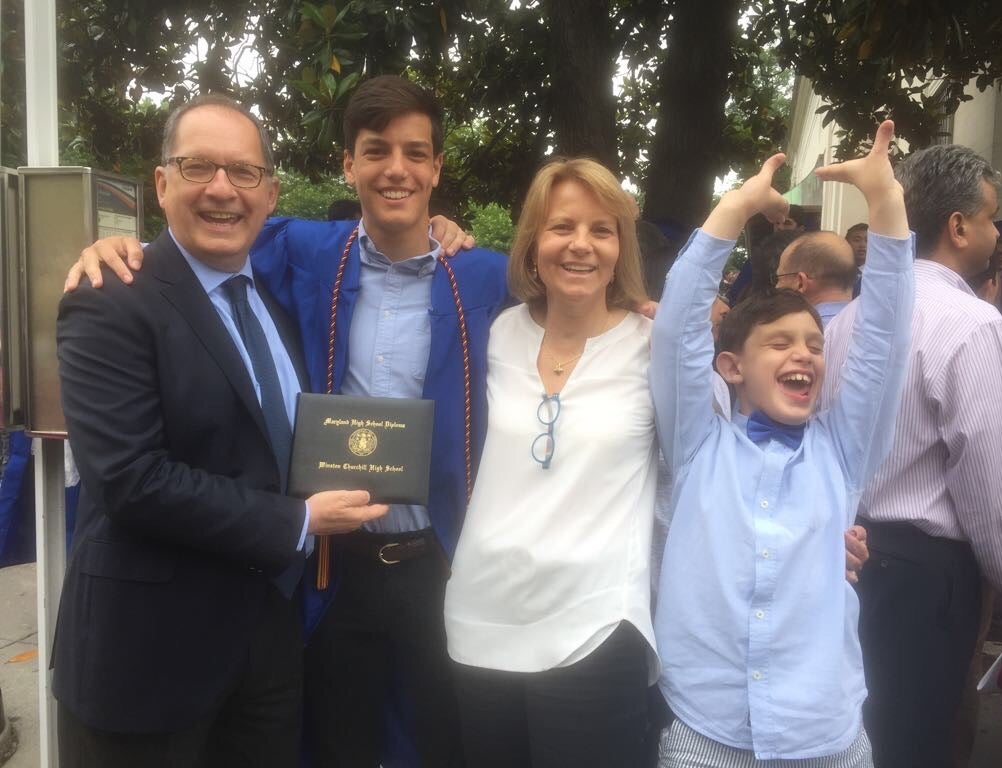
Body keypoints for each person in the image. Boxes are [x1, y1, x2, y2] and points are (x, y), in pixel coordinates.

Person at [68, 75, 506, 768]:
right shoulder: (304, 254)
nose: (396, 169)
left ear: (436, 167)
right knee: (334, 742)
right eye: (375, 151)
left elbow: (567, 309)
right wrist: (116, 247)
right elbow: (203, 236)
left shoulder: (482, 275)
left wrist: (640, 312)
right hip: (325, 568)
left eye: (415, 153)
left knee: (442, 741)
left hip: (438, 563)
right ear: (347, 165)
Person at [53, 95, 388, 768]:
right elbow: (130, 479)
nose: (221, 190)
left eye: (243, 172)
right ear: (161, 182)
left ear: (270, 192)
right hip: (145, 668)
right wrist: (297, 521)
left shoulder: (272, 304)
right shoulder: (108, 299)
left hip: (264, 655)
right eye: (199, 166)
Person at [652, 121, 912, 766]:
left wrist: (887, 204)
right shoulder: (697, 445)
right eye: (780, 342)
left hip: (823, 733)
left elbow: (883, 340)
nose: (805, 355)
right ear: (732, 367)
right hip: (703, 732)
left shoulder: (843, 452)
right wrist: (735, 207)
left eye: (815, 345)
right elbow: (679, 329)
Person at [443, 158, 657, 767]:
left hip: (595, 625)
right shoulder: (489, 332)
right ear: (534, 241)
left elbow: (718, 459)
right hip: (480, 622)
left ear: (622, 246)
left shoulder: (654, 348)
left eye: (602, 229)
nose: (581, 246)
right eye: (562, 226)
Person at [822, 143, 1002, 768]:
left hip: (845, 560)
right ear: (958, 227)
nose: (996, 234)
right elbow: (995, 495)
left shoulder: (844, 323)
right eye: (991, 218)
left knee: (856, 738)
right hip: (927, 581)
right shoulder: (973, 322)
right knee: (918, 743)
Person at [774, 230, 859, 326]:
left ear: (801, 283)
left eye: (779, 278)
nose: (777, 287)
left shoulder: (789, 336)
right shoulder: (872, 327)